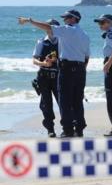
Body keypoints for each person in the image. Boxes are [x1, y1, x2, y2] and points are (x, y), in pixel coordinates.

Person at [18, 10, 90, 138]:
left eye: (66, 18)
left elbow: (48, 27)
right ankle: (79, 129)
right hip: (79, 70)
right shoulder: (84, 35)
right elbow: (86, 57)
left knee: (65, 102)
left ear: (73, 19)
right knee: (77, 101)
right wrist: (80, 70)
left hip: (67, 70)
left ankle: (68, 130)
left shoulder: (68, 30)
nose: (64, 20)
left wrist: (29, 20)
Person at [32, 19, 61, 138]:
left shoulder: (63, 42)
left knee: (63, 103)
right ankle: (50, 129)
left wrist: (56, 60)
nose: (51, 30)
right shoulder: (41, 42)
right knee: (46, 105)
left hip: (58, 77)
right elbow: (34, 60)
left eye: (53, 27)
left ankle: (67, 127)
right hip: (43, 77)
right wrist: (44, 63)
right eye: (48, 27)